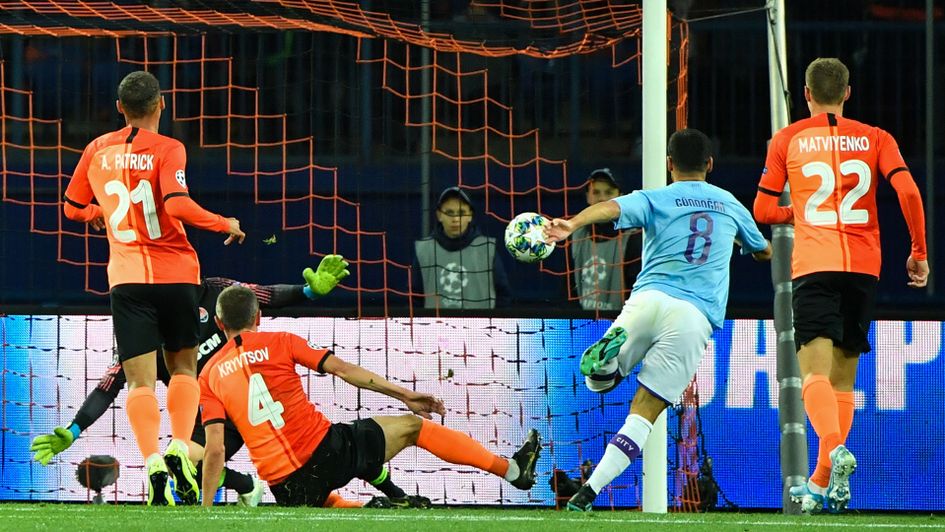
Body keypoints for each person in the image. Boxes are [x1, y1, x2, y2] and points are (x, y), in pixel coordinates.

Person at [27, 257, 395, 507]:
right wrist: (74, 429)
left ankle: (352, 492)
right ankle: (244, 486)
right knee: (182, 460)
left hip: (253, 407)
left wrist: (308, 292)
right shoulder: (143, 326)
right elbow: (110, 383)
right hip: (210, 417)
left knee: (292, 469)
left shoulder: (217, 291)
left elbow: (262, 296)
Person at [544, 129, 772, 511]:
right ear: (710, 165)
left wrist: (572, 223)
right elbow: (763, 250)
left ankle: (607, 364)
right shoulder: (730, 204)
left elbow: (612, 208)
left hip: (648, 298)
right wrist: (750, 246)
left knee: (597, 384)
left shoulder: (656, 197)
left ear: (669, 164)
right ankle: (591, 490)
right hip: (693, 315)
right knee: (646, 410)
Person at [753, 57, 928, 514]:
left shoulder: (786, 139)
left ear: (806, 93)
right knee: (843, 381)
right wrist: (920, 252)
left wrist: (801, 211)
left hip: (815, 264)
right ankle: (822, 481)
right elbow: (909, 192)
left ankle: (832, 451)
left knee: (812, 374)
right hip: (864, 267)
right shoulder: (877, 138)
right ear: (847, 93)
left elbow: (763, 210)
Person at [62, 70, 245, 506]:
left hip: (126, 281)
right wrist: (226, 223)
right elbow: (177, 204)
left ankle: (151, 462)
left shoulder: (95, 149)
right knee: (184, 369)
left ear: (120, 107)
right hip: (177, 275)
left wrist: (98, 216)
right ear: (162, 104)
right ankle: (180, 448)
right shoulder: (169, 148)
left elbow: (71, 208)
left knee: (139, 383)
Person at [198, 285, 542, 507]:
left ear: (218, 321)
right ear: (259, 316)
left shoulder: (208, 373)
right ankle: (511, 470)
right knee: (412, 428)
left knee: (319, 501)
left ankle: (377, 505)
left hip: (285, 486)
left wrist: (204, 511)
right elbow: (346, 371)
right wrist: (405, 394)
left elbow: (215, 449)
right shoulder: (282, 342)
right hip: (329, 452)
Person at [412, 187, 512, 309]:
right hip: (436, 328)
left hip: (480, 327)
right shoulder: (424, 251)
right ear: (439, 215)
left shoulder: (486, 250)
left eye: (461, 213)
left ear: (470, 215)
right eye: (449, 213)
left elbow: (503, 297)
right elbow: (413, 299)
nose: (455, 219)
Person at [569, 168, 642, 311]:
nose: (602, 199)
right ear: (588, 197)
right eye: (596, 193)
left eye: (608, 193)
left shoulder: (634, 238)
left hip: (619, 324)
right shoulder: (577, 235)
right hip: (582, 324)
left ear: (621, 197)